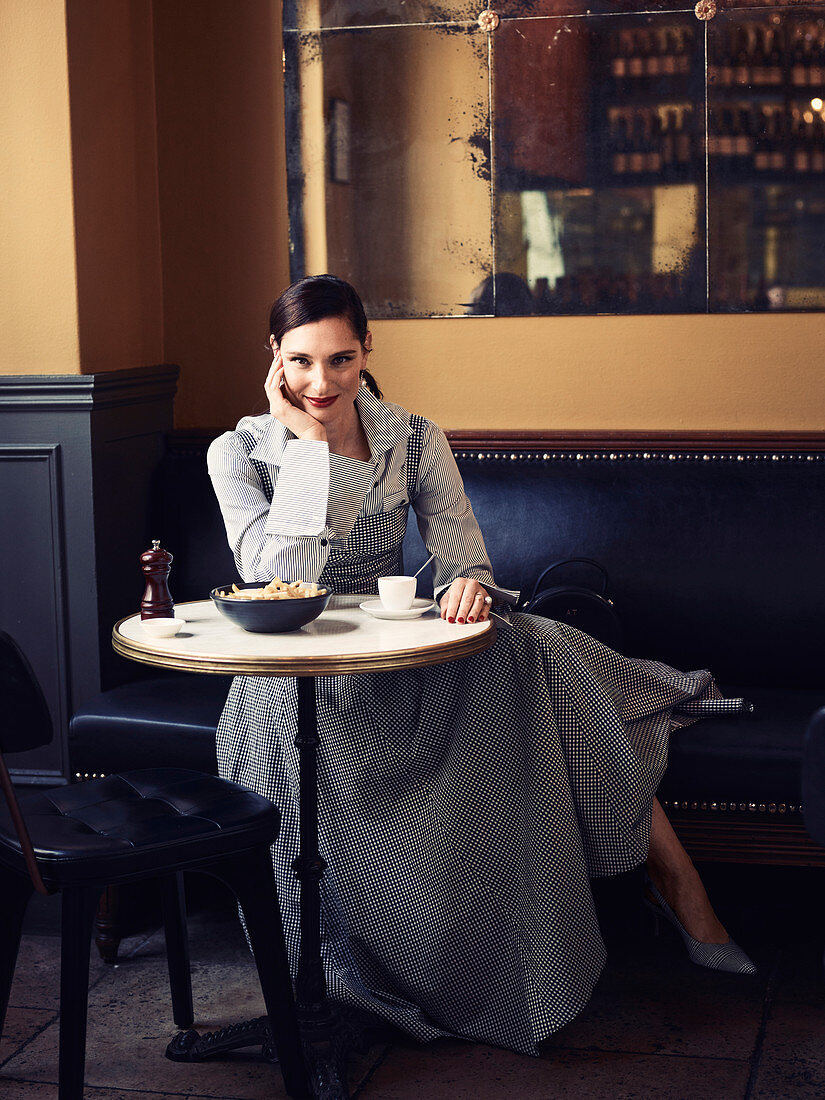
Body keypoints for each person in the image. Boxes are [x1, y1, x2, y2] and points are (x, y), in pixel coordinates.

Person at [207, 274, 756, 1058]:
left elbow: (468, 562)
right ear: (273, 360)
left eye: (340, 360)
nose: (320, 382)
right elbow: (274, 581)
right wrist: (306, 451)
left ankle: (674, 883)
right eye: (299, 362)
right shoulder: (238, 451)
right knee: (553, 656)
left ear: (368, 352)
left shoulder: (416, 436)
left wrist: (468, 586)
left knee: (532, 643)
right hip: (298, 670)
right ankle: (676, 884)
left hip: (403, 651)